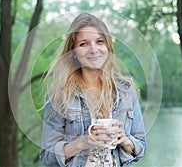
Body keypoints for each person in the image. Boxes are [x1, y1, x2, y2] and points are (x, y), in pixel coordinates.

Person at [40, 12, 146, 167]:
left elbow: (141, 146)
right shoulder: (60, 94)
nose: (93, 49)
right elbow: (47, 156)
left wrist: (125, 140)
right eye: (83, 44)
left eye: (100, 41)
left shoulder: (126, 91)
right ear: (73, 52)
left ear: (108, 47)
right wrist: (82, 143)